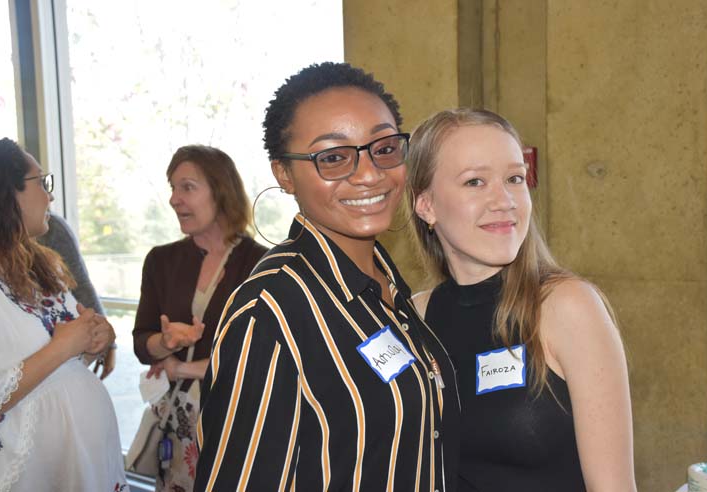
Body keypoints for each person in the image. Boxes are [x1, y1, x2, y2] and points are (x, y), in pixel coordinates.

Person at [194, 62, 459, 492]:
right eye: (333, 157)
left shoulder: (388, 288)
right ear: (284, 174)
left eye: (385, 148)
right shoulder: (269, 313)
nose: (370, 173)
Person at [408, 108, 636, 491]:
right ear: (426, 205)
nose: (505, 200)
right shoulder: (416, 317)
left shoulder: (566, 307)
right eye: (475, 181)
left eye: (515, 178)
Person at [132, 144, 267, 491]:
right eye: (173, 188)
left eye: (187, 187)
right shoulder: (160, 261)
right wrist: (164, 342)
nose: (174, 199)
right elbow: (140, 342)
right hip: (175, 427)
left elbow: (260, 358)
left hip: (235, 423)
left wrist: (183, 368)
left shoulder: (262, 265)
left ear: (221, 192)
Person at [0, 137, 127, 491]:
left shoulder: (41, 266)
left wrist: (97, 337)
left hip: (87, 466)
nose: (50, 196)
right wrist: (64, 346)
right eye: (42, 182)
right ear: (8, 193)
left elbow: (74, 340)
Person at [38, 212, 116, 379]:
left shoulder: (51, 227)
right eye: (41, 184)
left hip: (69, 362)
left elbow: (79, 283)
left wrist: (108, 341)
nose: (49, 196)